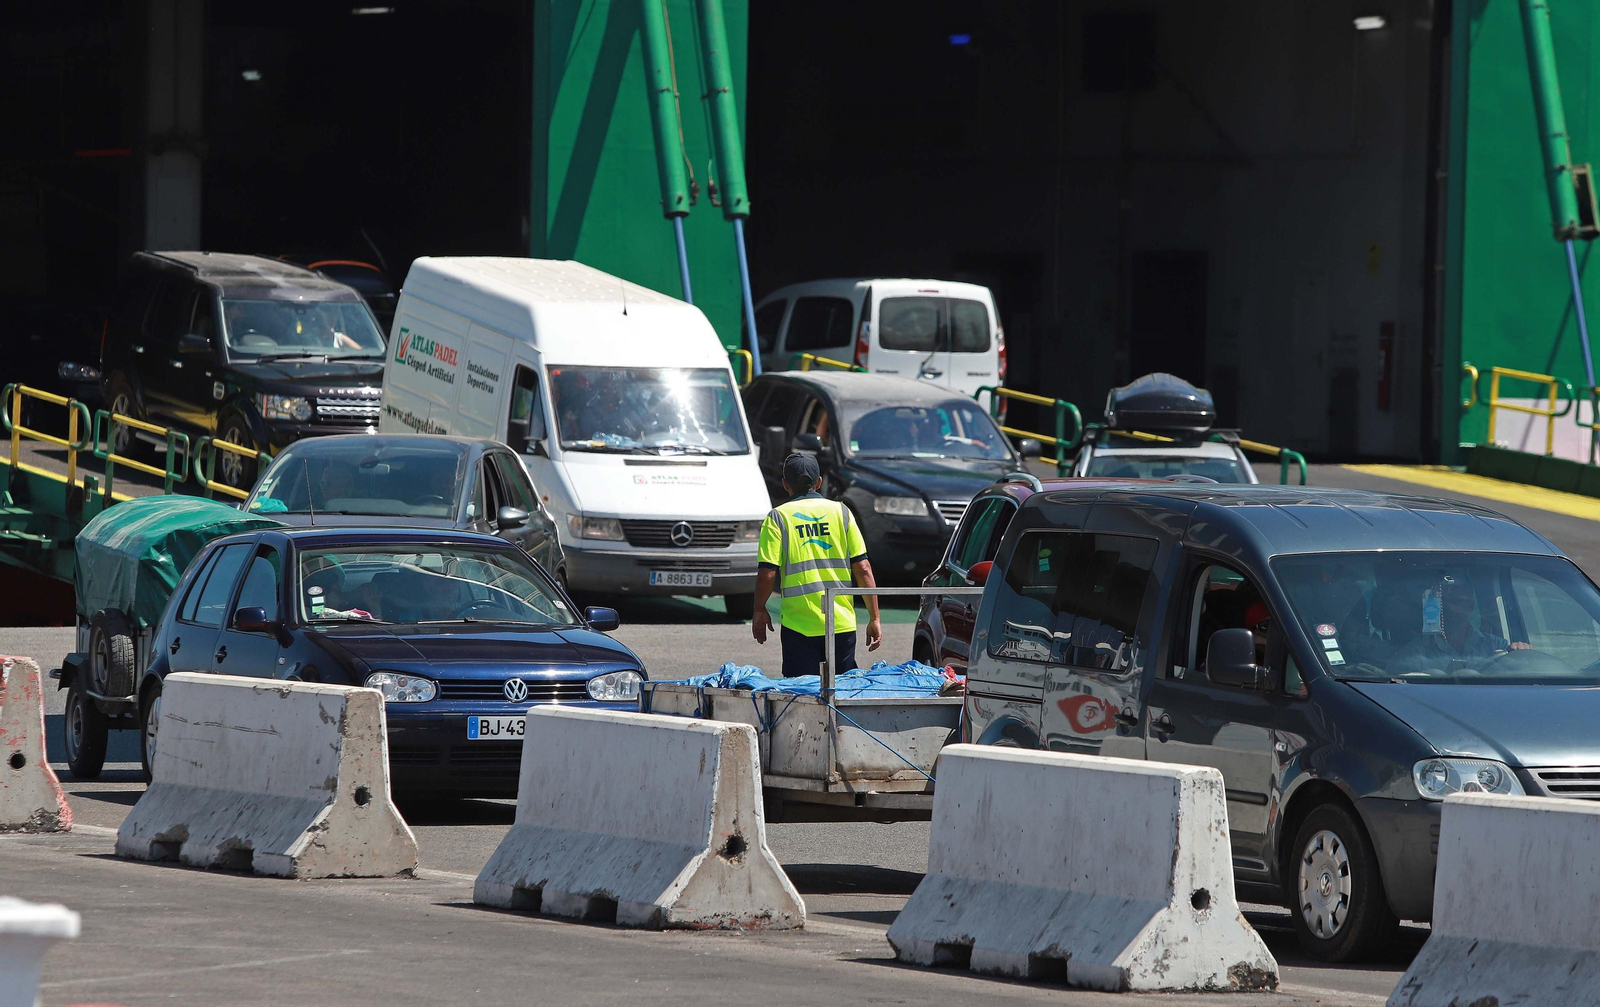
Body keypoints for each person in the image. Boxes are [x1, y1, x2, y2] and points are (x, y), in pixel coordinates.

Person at [752, 452, 882, 677]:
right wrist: (875, 618)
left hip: (798, 626)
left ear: (785, 484)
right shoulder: (842, 512)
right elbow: (863, 568)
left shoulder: (778, 518)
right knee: (840, 694)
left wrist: (759, 609)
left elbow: (768, 574)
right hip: (840, 624)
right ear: (819, 482)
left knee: (802, 696)